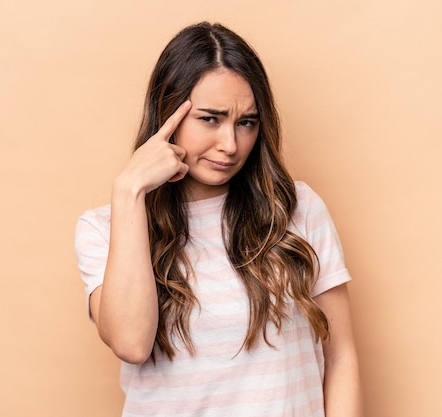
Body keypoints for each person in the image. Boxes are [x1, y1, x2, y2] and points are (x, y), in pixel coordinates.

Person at [75, 21, 363, 417]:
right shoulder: (105, 229)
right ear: (166, 114)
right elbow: (131, 343)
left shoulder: (298, 209)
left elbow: (341, 356)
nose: (230, 145)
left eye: (246, 122)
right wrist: (130, 192)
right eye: (210, 119)